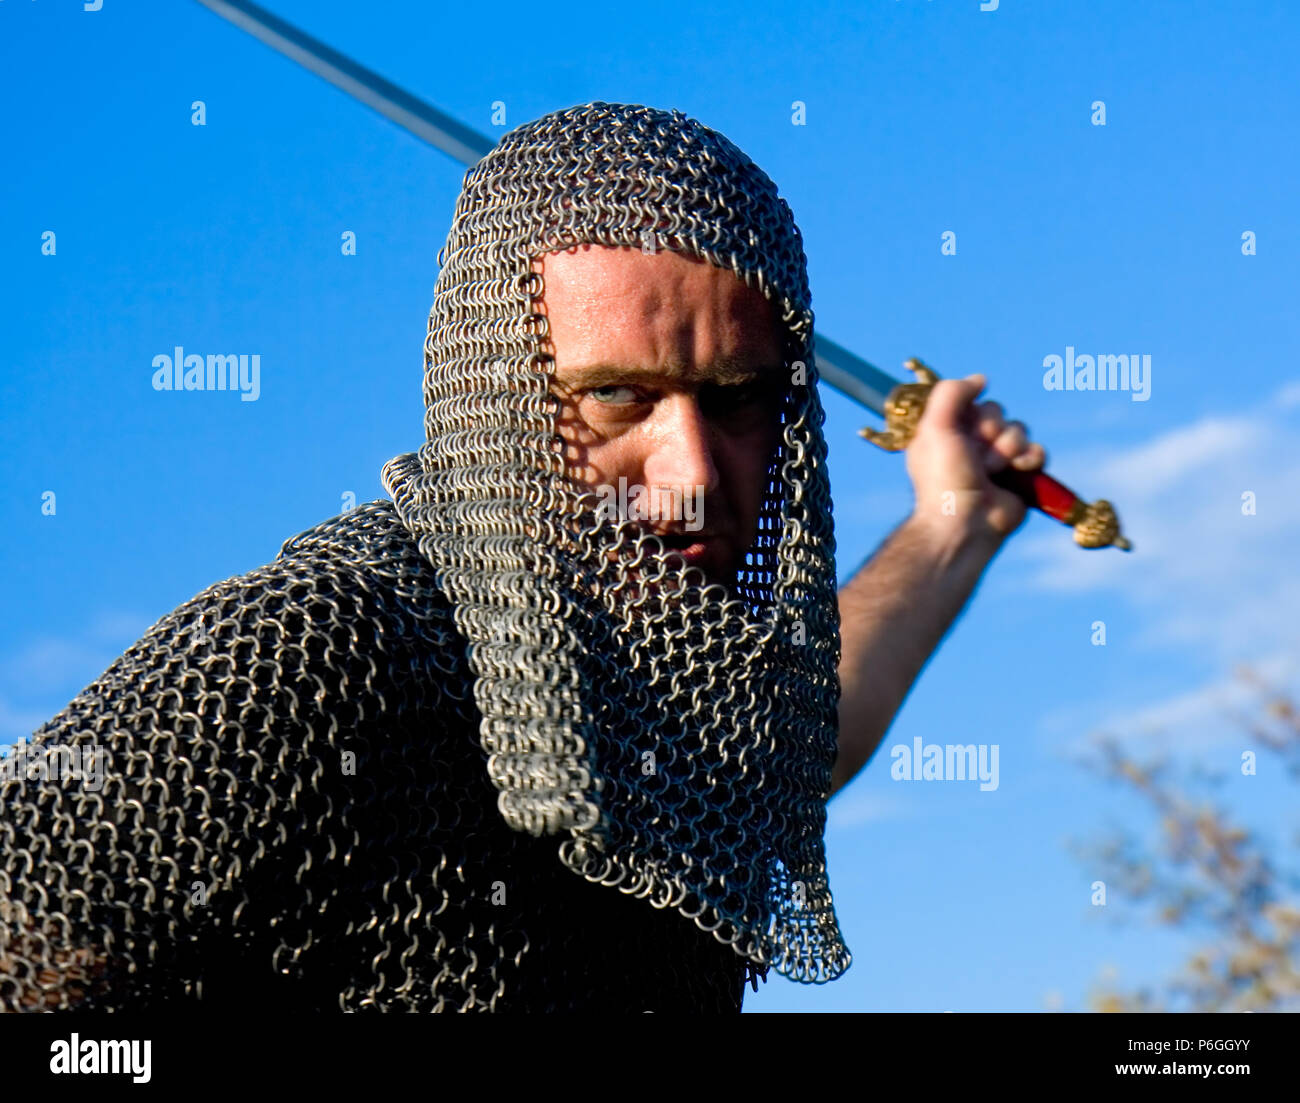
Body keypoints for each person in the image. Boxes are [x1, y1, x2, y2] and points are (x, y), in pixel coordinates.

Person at [0, 101, 1042, 1013]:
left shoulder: (668, 705)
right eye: (617, 395)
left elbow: (792, 741)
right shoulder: (312, 657)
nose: (690, 470)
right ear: (494, 398)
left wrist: (952, 523)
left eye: (735, 400)